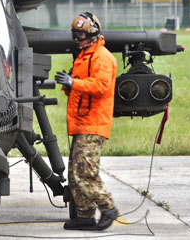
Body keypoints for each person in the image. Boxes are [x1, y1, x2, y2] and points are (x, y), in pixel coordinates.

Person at [54, 12, 119, 231]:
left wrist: (74, 82)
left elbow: (100, 86)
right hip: (81, 123)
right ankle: (84, 216)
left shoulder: (102, 57)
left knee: (84, 173)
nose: (76, 39)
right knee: (74, 173)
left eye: (80, 35)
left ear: (93, 34)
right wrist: (68, 84)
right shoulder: (83, 57)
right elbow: (78, 89)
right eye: (74, 34)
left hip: (93, 123)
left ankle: (108, 208)